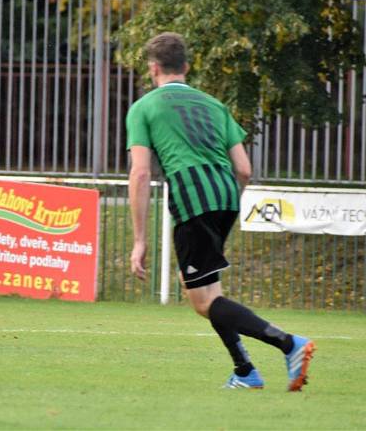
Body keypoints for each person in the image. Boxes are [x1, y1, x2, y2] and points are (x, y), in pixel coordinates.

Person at [125, 32, 315, 391]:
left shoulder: (144, 107)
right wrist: (223, 199)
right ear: (187, 66)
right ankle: (245, 371)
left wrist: (139, 240)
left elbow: (140, 172)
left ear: (153, 68)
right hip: (226, 193)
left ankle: (290, 344)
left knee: (204, 301)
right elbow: (244, 169)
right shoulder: (215, 105)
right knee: (203, 288)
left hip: (193, 196)